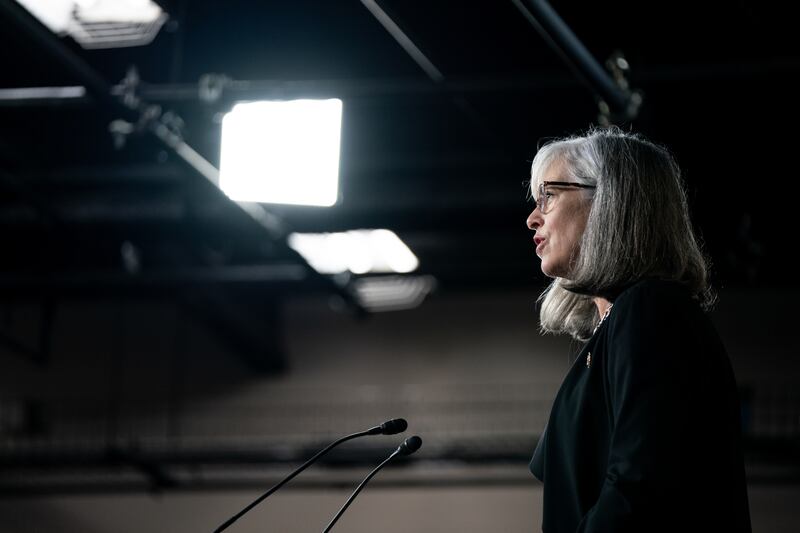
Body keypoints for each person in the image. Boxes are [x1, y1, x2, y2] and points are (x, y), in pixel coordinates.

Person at [526, 127, 751, 532]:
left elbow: (639, 488)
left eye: (549, 196)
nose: (532, 217)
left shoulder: (650, 309)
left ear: (609, 202)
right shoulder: (617, 325)